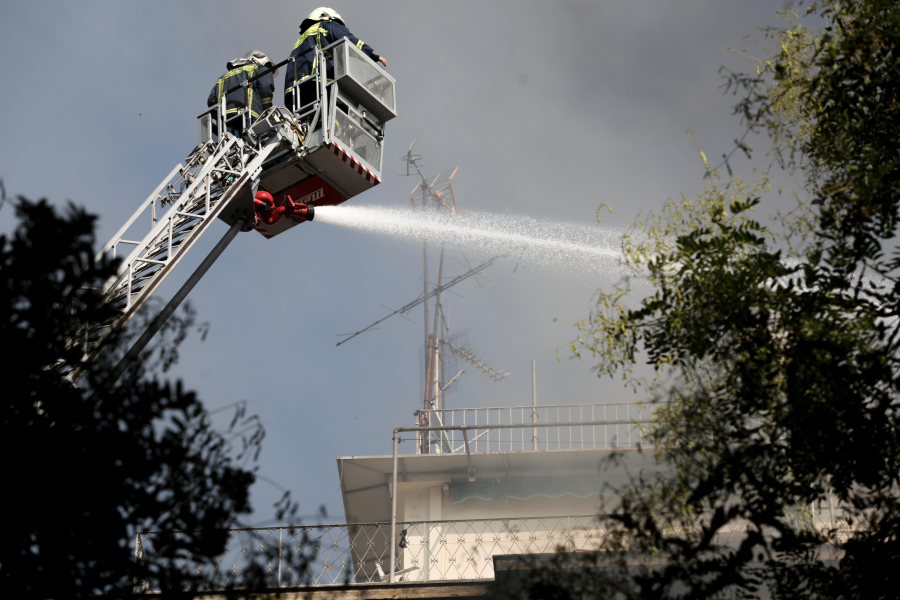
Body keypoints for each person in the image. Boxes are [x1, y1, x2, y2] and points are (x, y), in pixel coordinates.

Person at [283, 7, 387, 112]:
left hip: (293, 93)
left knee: (309, 121)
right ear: (326, 17)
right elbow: (348, 40)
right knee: (338, 111)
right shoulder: (326, 25)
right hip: (318, 83)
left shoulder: (302, 38)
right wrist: (371, 55)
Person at [207, 50, 278, 137]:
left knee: (231, 146)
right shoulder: (259, 69)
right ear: (257, 60)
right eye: (266, 66)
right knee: (252, 146)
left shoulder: (223, 77)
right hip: (250, 115)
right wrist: (267, 110)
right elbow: (265, 88)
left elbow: (212, 100)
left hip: (226, 118)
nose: (268, 70)